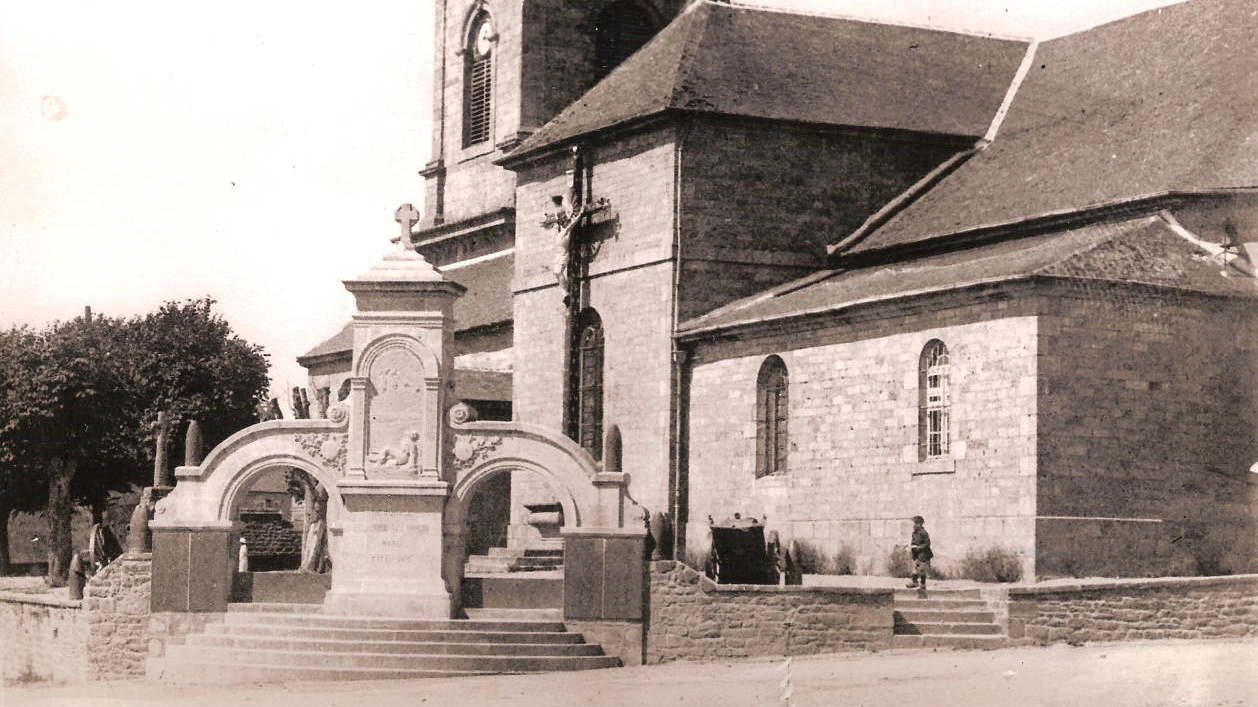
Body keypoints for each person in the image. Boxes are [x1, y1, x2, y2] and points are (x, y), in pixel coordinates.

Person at [906, 516, 933, 590]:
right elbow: (913, 542)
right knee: (915, 568)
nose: (914, 525)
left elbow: (927, 543)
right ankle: (915, 582)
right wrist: (911, 547)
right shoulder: (914, 533)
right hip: (916, 554)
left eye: (916, 523)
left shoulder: (924, 533)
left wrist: (919, 547)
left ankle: (922, 584)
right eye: (914, 523)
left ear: (920, 524)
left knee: (922, 570)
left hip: (923, 554)